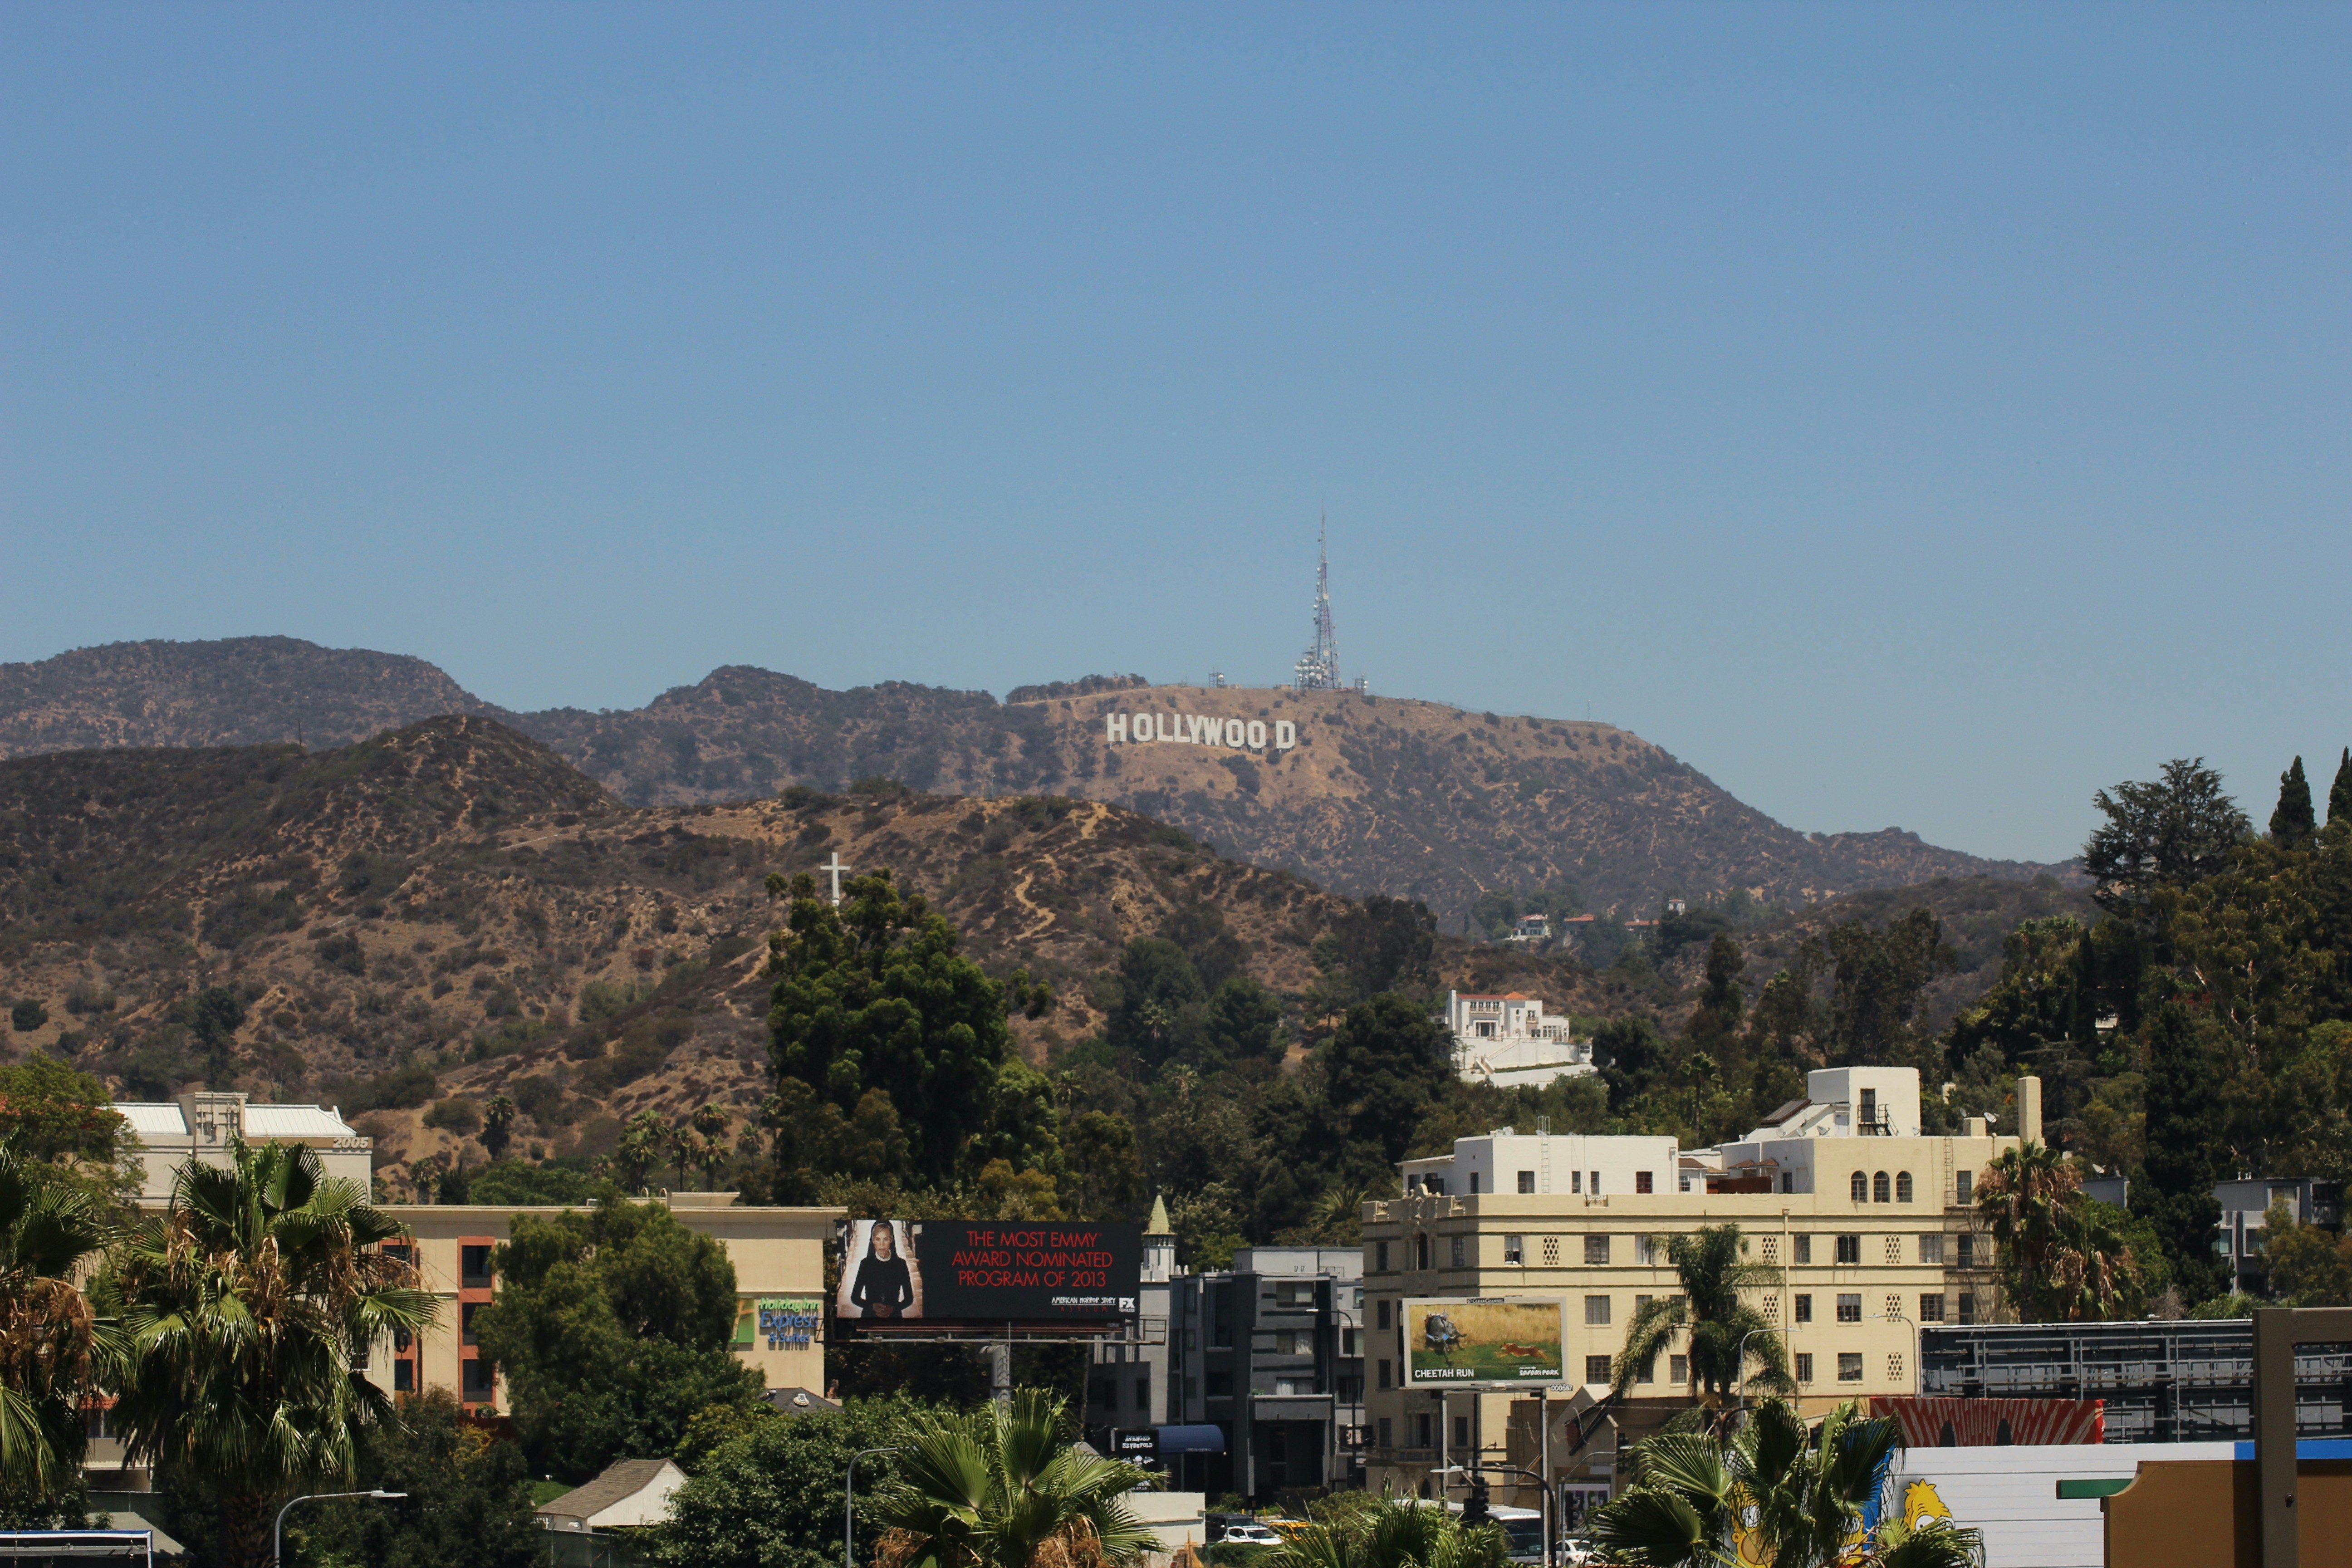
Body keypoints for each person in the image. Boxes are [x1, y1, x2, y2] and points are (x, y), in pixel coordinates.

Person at [848, 1221, 916, 1318]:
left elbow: (909, 1299)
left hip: (894, 1318)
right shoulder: (866, 1264)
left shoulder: (900, 1264)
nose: (882, 1245)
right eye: (878, 1239)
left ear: (891, 1240)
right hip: (870, 1317)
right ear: (873, 1240)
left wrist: (894, 1308)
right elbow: (855, 1298)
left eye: (886, 1239)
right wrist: (871, 1306)